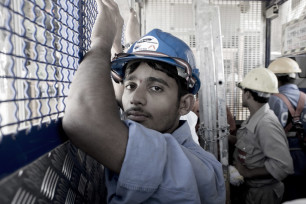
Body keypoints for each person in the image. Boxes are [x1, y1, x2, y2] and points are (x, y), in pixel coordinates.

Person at [63, 0, 226, 203]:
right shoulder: (158, 129)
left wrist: (100, 42)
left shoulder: (181, 162)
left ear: (184, 105)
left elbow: (83, 119)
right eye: (131, 86)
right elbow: (122, 97)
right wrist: (117, 44)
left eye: (156, 88)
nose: (135, 99)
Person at [231, 67, 294, 204]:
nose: (242, 95)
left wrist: (247, 172)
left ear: (247, 94)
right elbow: (253, 144)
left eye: (243, 92)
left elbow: (283, 166)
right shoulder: (255, 118)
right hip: (252, 191)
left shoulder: (266, 124)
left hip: (264, 194)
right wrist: (228, 138)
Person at [268, 57, 306, 202]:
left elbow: (270, 132)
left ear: (275, 78)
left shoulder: (274, 100)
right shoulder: (305, 97)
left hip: (284, 157)